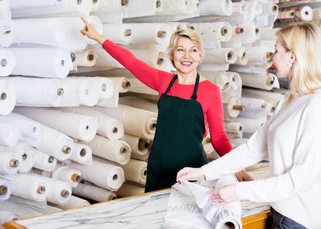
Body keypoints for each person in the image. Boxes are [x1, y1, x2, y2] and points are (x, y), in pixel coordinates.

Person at [176, 22, 321, 229]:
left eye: (276, 50)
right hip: (284, 218)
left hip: (298, 226)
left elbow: (297, 181)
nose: (272, 58)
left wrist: (237, 191)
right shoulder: (291, 99)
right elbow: (253, 149)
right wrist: (203, 172)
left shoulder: (315, 105)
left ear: (292, 57)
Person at [80, 17, 251, 192]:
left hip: (191, 174)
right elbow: (130, 61)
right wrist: (98, 37)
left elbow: (219, 139)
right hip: (159, 169)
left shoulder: (210, 91)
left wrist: (236, 167)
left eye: (193, 50)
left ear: (200, 56)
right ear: (171, 55)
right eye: (180, 50)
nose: (187, 56)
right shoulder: (163, 82)